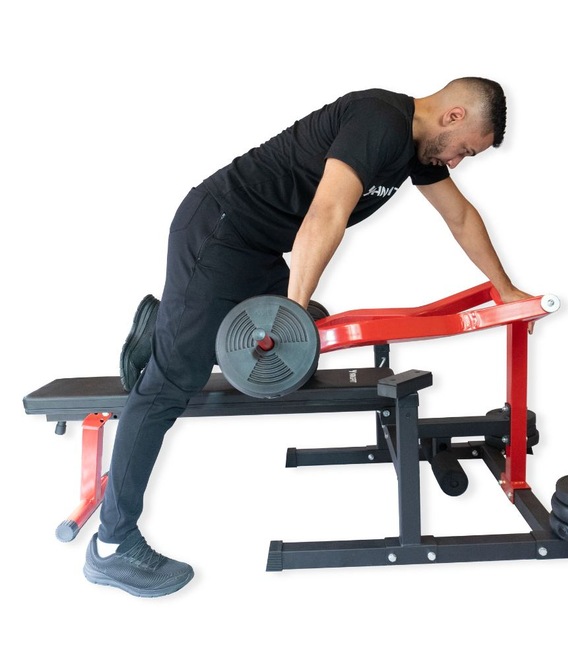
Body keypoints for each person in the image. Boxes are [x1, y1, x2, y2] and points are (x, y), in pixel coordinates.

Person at [82, 77, 532, 597]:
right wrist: (287, 316)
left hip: (256, 249)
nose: (456, 162)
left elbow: (461, 217)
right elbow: (327, 213)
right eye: (465, 150)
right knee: (171, 384)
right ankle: (112, 545)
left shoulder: (415, 150)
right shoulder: (380, 120)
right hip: (219, 231)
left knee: (312, 328)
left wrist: (507, 292)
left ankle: (170, 323)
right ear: (453, 116)